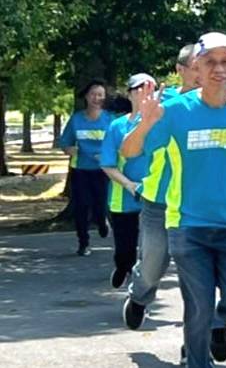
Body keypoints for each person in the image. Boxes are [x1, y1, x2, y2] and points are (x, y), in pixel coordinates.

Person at [122, 32, 226, 368]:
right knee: (198, 303)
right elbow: (129, 151)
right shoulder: (176, 112)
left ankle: (218, 326)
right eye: (210, 63)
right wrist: (144, 123)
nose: (218, 69)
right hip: (188, 226)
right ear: (196, 69)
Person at [126, 48, 199, 329]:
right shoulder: (161, 103)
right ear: (180, 69)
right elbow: (134, 143)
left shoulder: (219, 105)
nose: (201, 71)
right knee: (152, 265)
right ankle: (139, 297)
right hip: (159, 200)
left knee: (198, 277)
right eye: (195, 65)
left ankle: (199, 338)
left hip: (197, 204)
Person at [99, 75, 157, 289]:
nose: (144, 94)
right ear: (130, 94)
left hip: (155, 197)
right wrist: (129, 185)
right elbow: (107, 164)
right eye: (139, 89)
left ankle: (139, 295)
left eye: (149, 89)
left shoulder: (162, 123)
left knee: (152, 252)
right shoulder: (117, 127)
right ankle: (122, 267)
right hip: (124, 197)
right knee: (125, 250)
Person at [58, 80, 114, 256]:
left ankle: (102, 222)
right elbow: (64, 143)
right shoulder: (76, 119)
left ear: (104, 98)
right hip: (81, 170)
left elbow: (118, 144)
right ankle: (83, 243)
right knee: (82, 206)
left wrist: (106, 155)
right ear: (86, 97)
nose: (96, 98)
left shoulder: (110, 120)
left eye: (100, 95)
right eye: (93, 94)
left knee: (101, 205)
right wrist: (70, 149)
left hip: (103, 170)